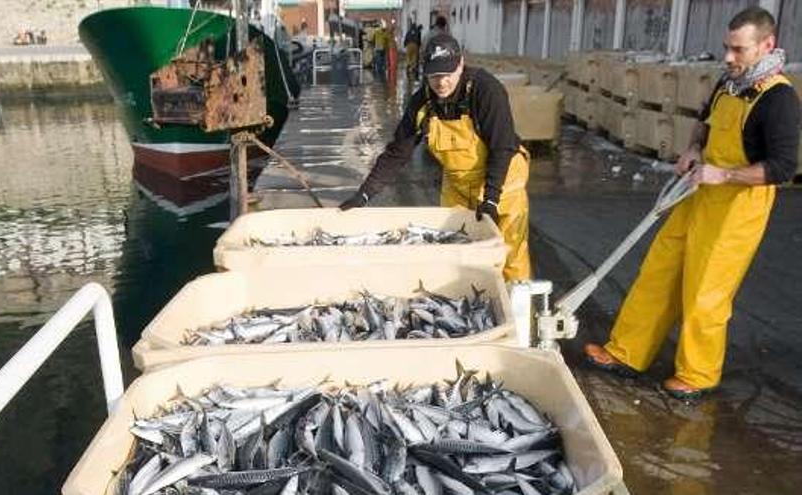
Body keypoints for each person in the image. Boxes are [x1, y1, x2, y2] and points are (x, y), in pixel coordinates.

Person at [584, 7, 800, 400]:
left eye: (739, 49)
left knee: (706, 292)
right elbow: (706, 120)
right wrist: (693, 148)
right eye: (726, 48)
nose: (729, 57)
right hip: (698, 193)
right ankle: (626, 353)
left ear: (767, 45)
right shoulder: (728, 82)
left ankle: (697, 374)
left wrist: (726, 174)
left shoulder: (779, 99)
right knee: (659, 271)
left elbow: (783, 167)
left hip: (737, 208)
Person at [339, 34, 532, 281]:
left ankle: (515, 309)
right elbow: (397, 152)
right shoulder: (423, 103)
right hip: (458, 183)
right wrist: (364, 194)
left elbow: (502, 147)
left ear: (461, 65)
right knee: (454, 248)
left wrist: (492, 198)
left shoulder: (486, 90)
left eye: (447, 74)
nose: (441, 82)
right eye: (434, 76)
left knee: (509, 252)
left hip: (503, 180)